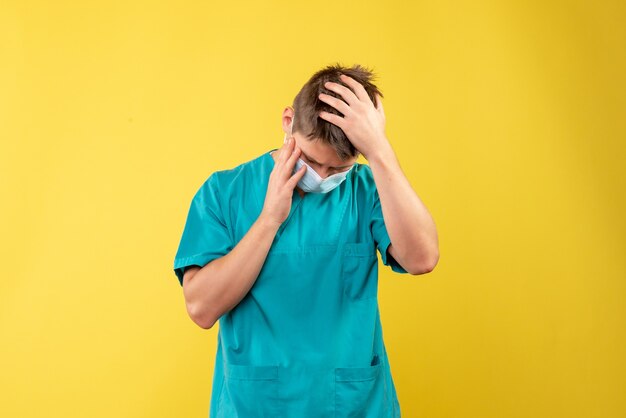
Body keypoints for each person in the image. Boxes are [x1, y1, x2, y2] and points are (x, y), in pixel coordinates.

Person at [173, 63, 439, 418]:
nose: (323, 178)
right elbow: (201, 308)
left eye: (339, 169)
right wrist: (269, 219)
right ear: (287, 122)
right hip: (255, 405)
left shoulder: (369, 190)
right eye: (312, 161)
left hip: (353, 405)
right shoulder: (224, 192)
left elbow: (422, 259)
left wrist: (379, 151)